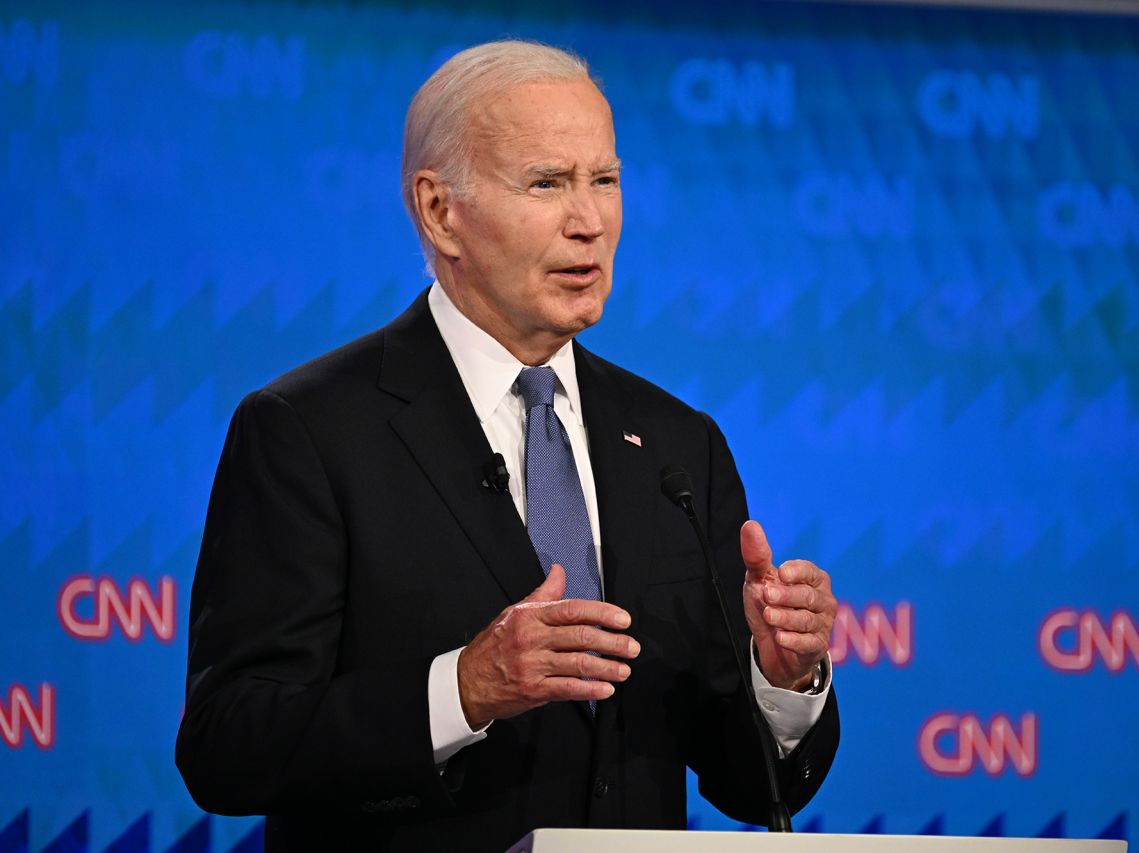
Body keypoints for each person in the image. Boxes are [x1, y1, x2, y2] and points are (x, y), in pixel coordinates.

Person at [176, 40, 839, 853]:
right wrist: (464, 689)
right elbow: (228, 743)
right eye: (547, 183)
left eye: (605, 180)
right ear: (439, 210)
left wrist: (781, 677)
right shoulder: (307, 432)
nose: (589, 221)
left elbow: (746, 781)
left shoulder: (676, 445)